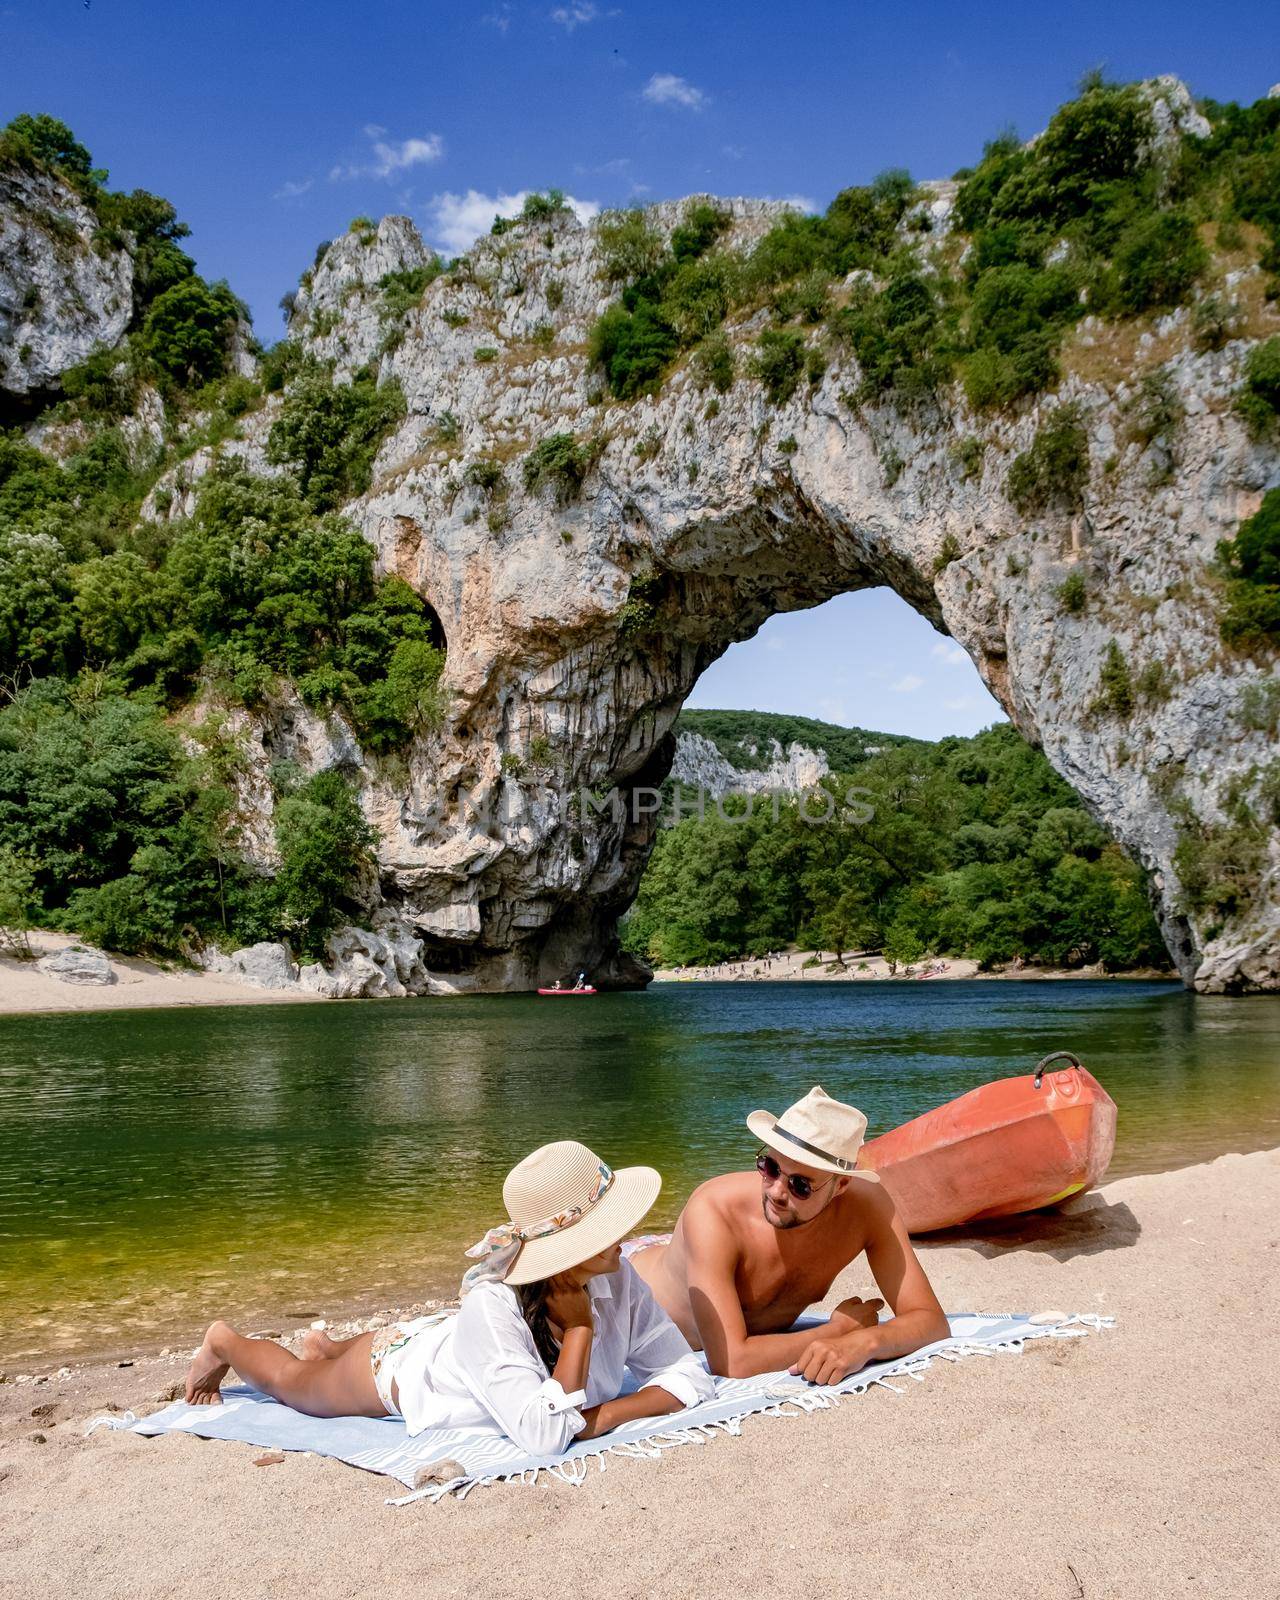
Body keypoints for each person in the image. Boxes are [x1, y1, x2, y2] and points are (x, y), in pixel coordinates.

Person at [184, 1141, 713, 1453]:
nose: (626, 1238)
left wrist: (606, 1416)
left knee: (428, 1336)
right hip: (407, 1373)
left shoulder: (615, 1277)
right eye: (605, 1229)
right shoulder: (493, 1305)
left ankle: (328, 1344)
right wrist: (579, 1331)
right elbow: (546, 1436)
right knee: (294, 1383)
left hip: (458, 1344)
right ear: (567, 1252)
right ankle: (226, 1342)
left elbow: (688, 1374)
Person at [628, 1087, 949, 1384]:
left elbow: (930, 1320)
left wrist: (865, 1342)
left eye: (800, 1185)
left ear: (842, 1186)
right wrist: (836, 1331)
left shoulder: (868, 1209)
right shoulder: (714, 1211)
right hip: (629, 1298)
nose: (778, 1192)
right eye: (769, 1167)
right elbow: (731, 1363)